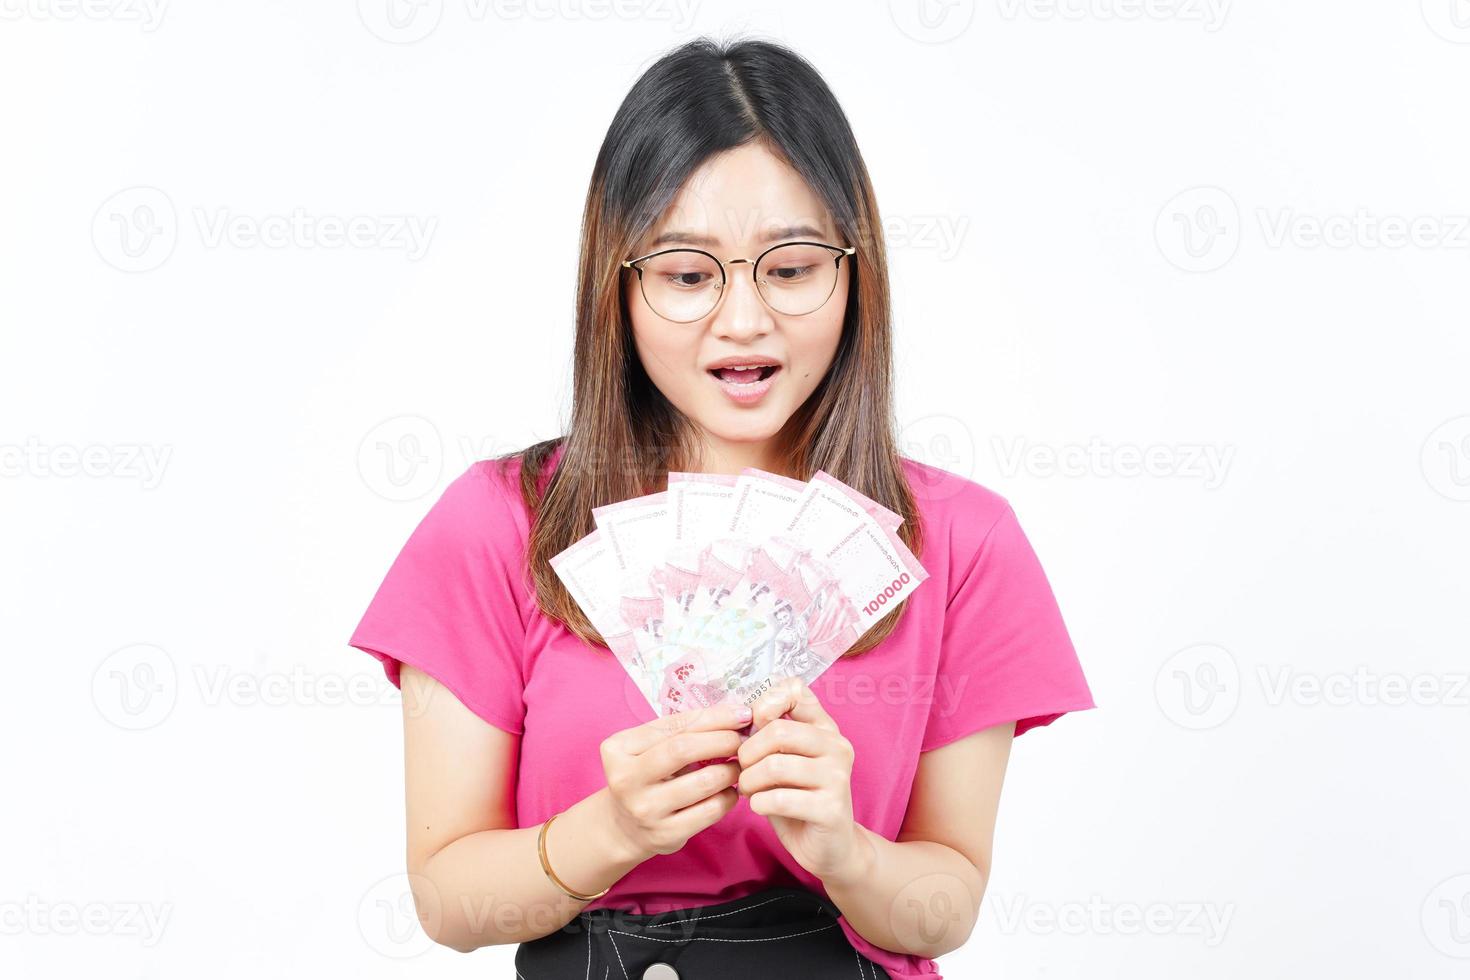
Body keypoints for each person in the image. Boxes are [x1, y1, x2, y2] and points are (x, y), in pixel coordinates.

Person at [348, 35, 1096, 980]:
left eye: (789, 267)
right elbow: (449, 904)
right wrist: (610, 830)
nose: (743, 320)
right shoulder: (497, 523)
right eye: (688, 274)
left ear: (854, 272)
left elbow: (946, 908)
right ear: (617, 286)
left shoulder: (964, 540)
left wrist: (846, 852)